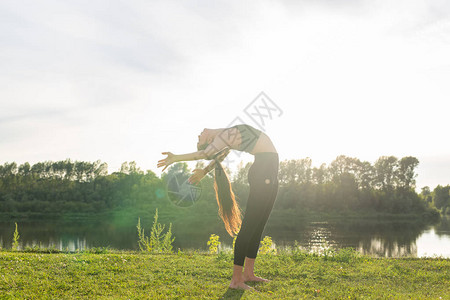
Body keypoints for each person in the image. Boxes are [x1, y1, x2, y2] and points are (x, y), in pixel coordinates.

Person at [157, 124, 279, 290]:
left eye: (198, 138)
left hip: (270, 171)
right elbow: (206, 154)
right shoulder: (223, 137)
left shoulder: (225, 137)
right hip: (263, 172)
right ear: (209, 140)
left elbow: (219, 156)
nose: (199, 134)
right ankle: (236, 281)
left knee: (258, 226)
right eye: (200, 139)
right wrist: (176, 158)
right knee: (250, 226)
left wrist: (205, 171)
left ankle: (249, 274)